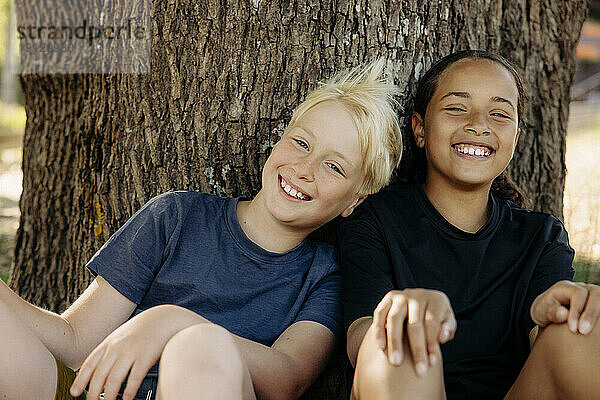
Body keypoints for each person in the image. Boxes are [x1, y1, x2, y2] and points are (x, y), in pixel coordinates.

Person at [0, 59, 403, 400]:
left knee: (201, 346)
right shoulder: (176, 216)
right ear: (279, 139)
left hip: (205, 385)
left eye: (334, 167)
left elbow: (286, 379)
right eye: (301, 143)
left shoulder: (325, 275)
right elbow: (76, 341)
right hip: (98, 390)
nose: (305, 169)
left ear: (355, 200)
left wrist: (174, 322)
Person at [339, 50, 600, 400]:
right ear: (419, 128)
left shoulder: (540, 237)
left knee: (580, 330)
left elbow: (553, 352)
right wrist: (399, 314)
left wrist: (551, 317)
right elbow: (359, 340)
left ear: (516, 138)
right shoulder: (376, 218)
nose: (479, 124)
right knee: (399, 336)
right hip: (404, 385)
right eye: (456, 108)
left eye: (499, 114)